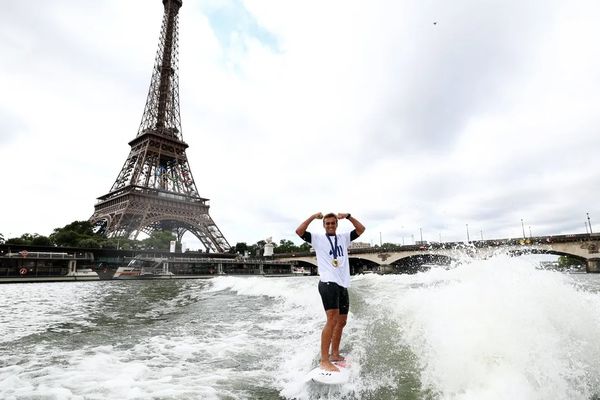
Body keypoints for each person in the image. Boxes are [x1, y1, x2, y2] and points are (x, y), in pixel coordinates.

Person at [295, 212, 366, 372]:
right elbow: (299, 231)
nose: (330, 225)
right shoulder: (318, 239)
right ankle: (324, 359)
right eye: (327, 223)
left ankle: (335, 354)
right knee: (332, 320)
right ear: (324, 225)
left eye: (333, 223)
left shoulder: (343, 238)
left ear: (336, 224)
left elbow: (361, 229)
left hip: (342, 284)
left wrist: (348, 216)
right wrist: (313, 216)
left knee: (342, 322)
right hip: (328, 282)